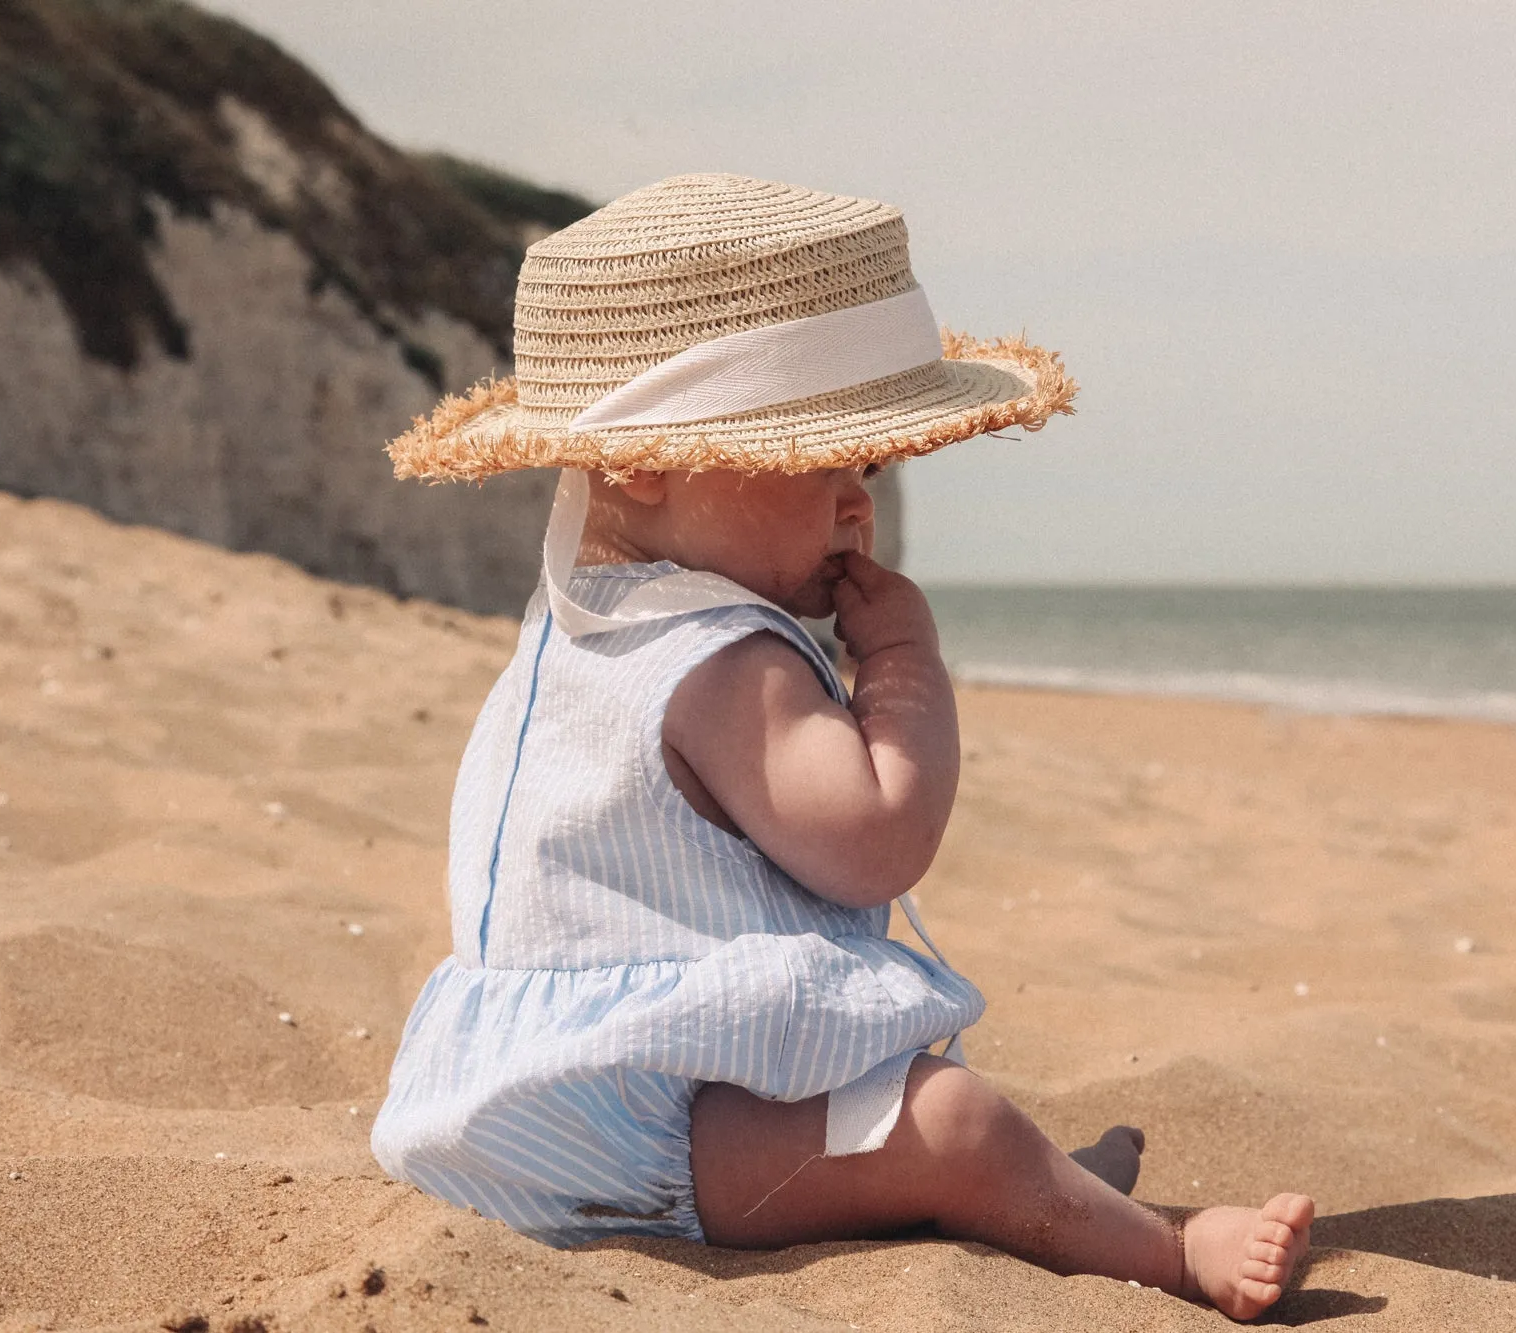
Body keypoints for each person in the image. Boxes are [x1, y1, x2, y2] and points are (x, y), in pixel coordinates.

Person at [371, 173, 1314, 1319]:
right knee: (955, 1129)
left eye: (866, 463)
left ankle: (1035, 1194)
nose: (858, 499)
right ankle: (1163, 1253)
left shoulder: (580, 633)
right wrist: (904, 660)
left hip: (522, 1109)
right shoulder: (725, 659)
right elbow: (874, 841)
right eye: (818, 457)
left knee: (917, 1121)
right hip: (645, 1133)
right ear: (637, 464)